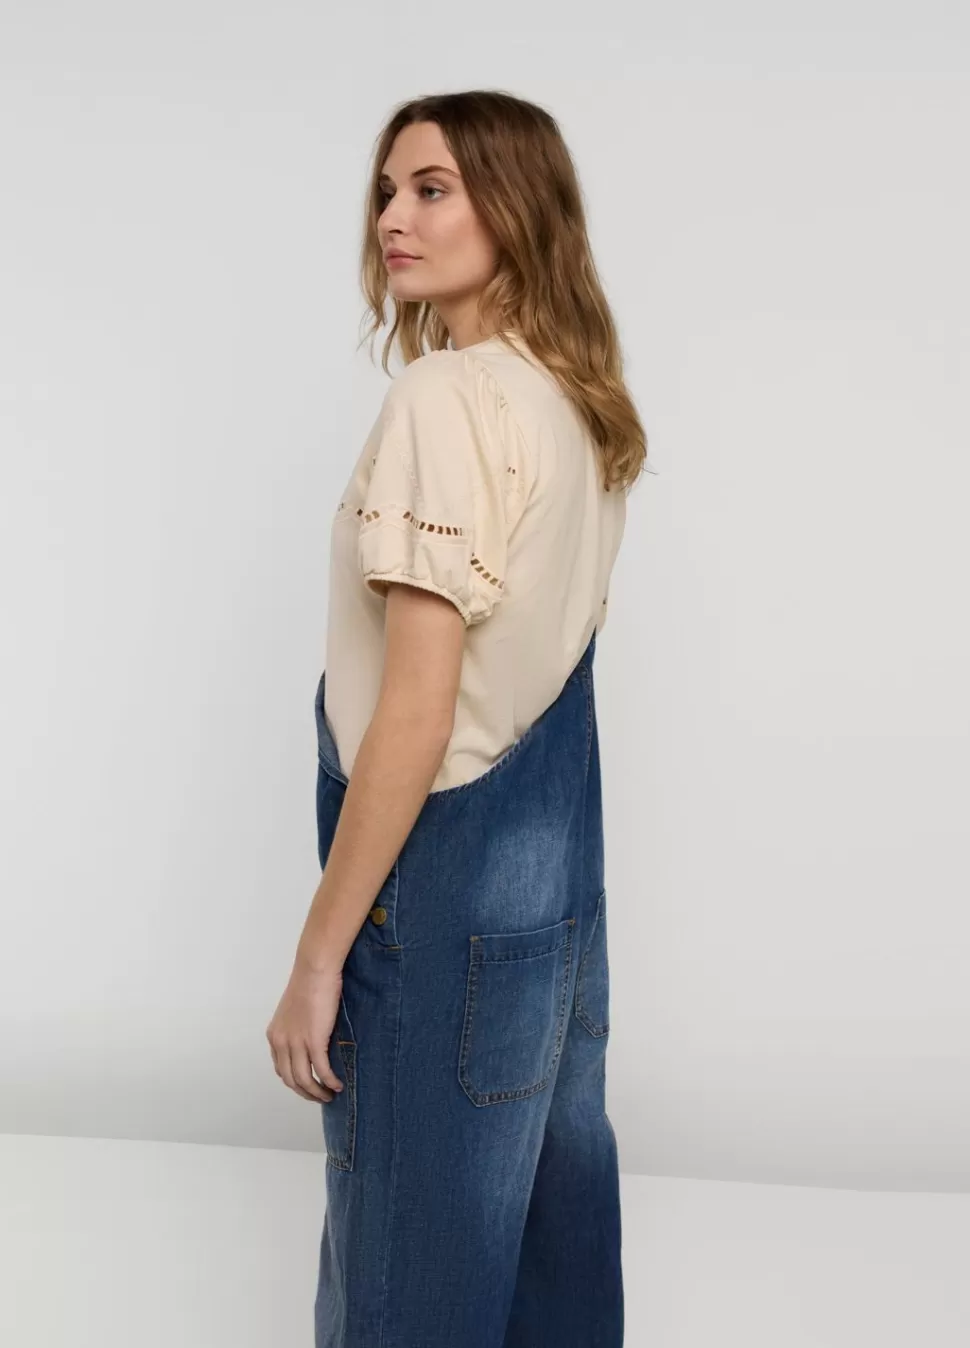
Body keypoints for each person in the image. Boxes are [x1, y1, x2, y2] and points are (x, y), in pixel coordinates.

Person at [266, 88, 654, 1348]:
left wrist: (318, 957)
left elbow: (419, 713)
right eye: (388, 189)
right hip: (551, 902)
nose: (394, 216)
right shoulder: (576, 402)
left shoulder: (445, 399)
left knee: (407, 1287)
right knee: (546, 1257)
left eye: (432, 188)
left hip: (439, 895)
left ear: (516, 207)